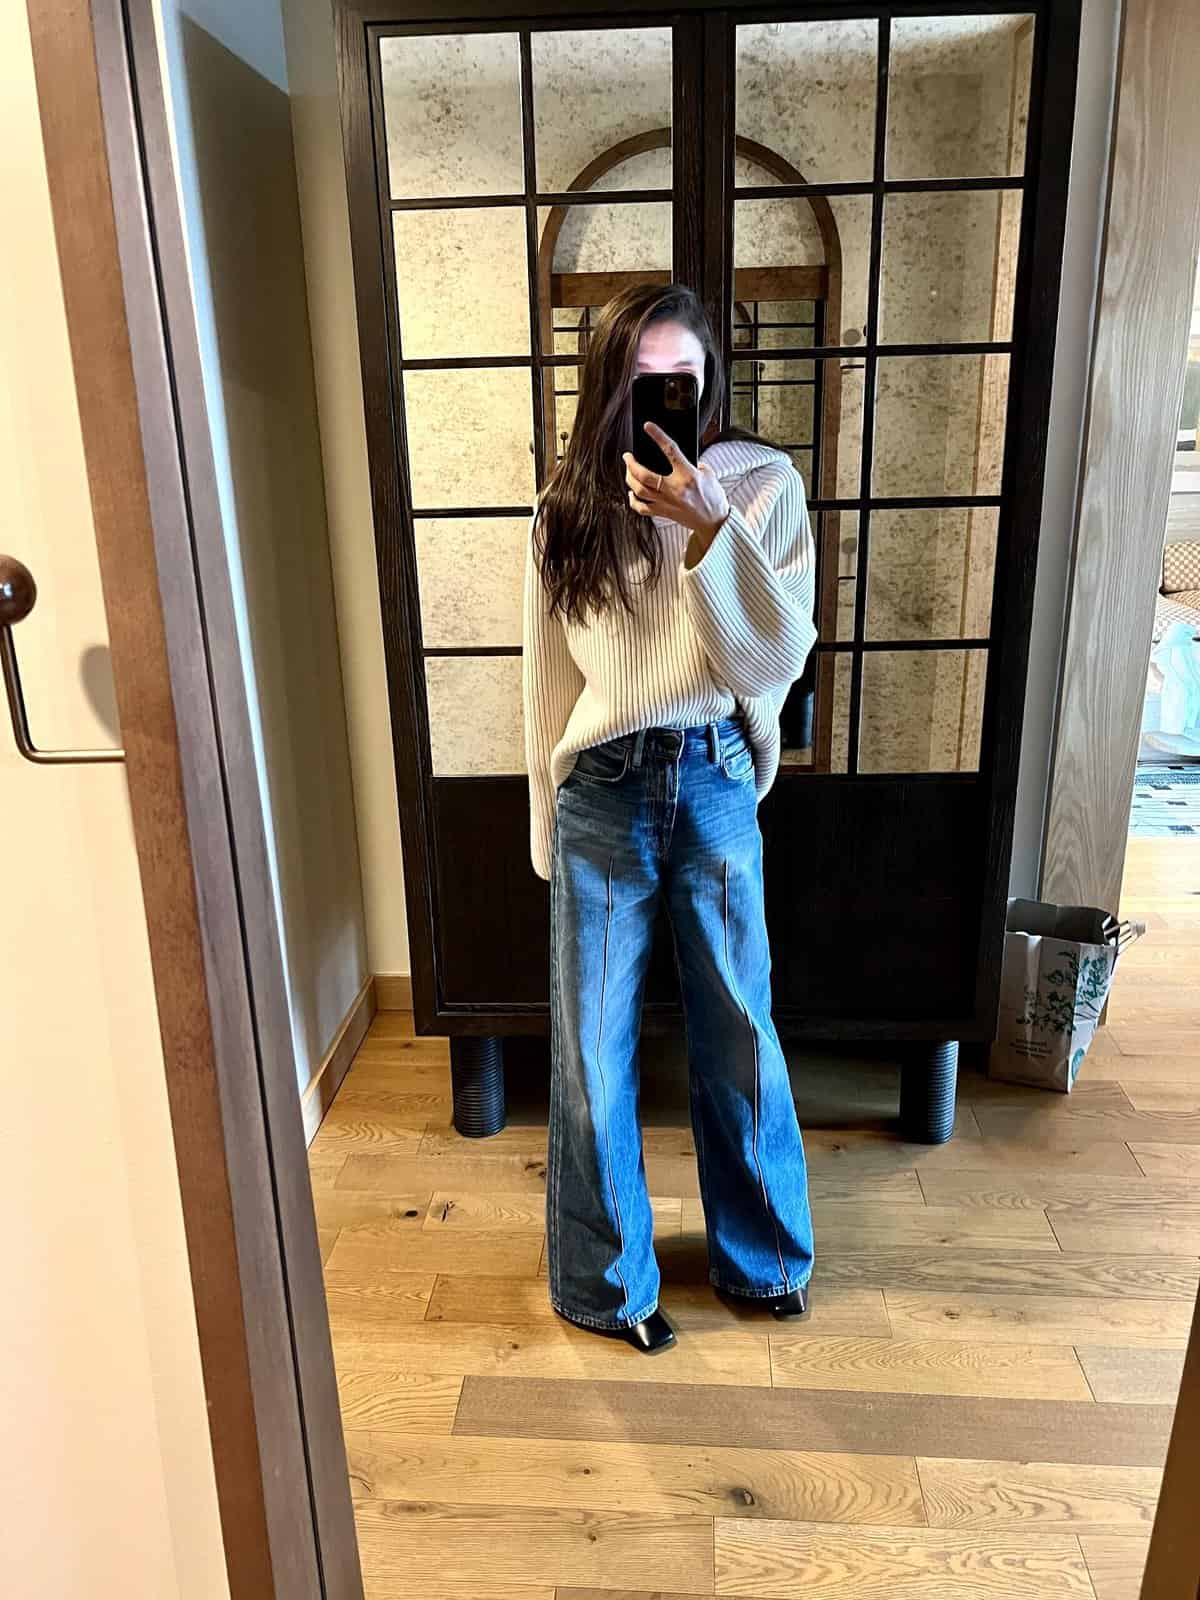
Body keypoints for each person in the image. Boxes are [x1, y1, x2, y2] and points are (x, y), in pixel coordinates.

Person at [522, 282, 817, 1355]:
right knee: (592, 1047)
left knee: (740, 1030)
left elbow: (773, 658)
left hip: (713, 774)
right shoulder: (566, 506)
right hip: (601, 788)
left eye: (680, 381)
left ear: (708, 381)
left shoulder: (764, 487)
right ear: (608, 384)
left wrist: (708, 533)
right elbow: (548, 679)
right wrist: (544, 820)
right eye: (641, 380)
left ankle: (764, 1259)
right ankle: (607, 1284)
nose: (663, 401)